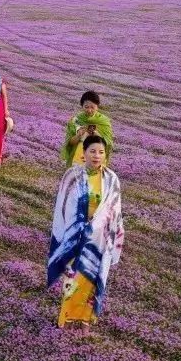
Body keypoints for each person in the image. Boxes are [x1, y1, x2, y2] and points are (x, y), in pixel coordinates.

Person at [47, 135, 124, 332]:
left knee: (91, 281)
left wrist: (104, 228)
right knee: (73, 279)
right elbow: (63, 206)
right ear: (84, 153)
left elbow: (115, 210)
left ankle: (85, 321)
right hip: (76, 238)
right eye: (92, 151)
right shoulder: (72, 176)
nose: (97, 156)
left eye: (101, 152)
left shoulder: (112, 179)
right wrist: (69, 232)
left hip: (98, 240)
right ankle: (66, 317)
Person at [61, 90, 114, 168]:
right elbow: (70, 143)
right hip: (77, 159)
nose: (89, 110)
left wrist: (97, 136)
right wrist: (78, 136)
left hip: (96, 160)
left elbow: (108, 144)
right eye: (86, 107)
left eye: (92, 107)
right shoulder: (76, 120)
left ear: (97, 106)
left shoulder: (104, 121)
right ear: (82, 106)